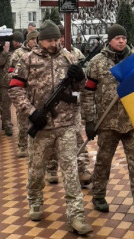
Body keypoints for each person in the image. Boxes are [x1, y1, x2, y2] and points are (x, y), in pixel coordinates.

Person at [9, 20, 92, 235]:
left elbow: (81, 90)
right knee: (36, 170)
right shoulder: (27, 59)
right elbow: (15, 89)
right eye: (49, 40)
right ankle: (35, 200)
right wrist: (31, 112)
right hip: (41, 124)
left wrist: (80, 78)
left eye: (56, 39)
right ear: (39, 41)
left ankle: (76, 215)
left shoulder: (69, 58)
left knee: (71, 171)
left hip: (65, 124)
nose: (53, 43)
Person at [81, 24, 134, 229]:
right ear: (109, 40)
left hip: (131, 122)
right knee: (103, 162)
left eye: (124, 38)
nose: (121, 41)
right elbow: (88, 93)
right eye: (117, 38)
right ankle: (98, 195)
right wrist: (89, 120)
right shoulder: (97, 63)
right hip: (107, 123)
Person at [45, 24, 91, 186]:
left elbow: (84, 81)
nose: (61, 41)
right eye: (58, 38)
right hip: (52, 106)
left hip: (72, 104)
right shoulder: (45, 56)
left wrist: (80, 75)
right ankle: (51, 168)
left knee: (77, 136)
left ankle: (83, 168)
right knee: (51, 138)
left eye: (63, 37)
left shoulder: (74, 54)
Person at [9, 30, 38, 157]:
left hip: (36, 93)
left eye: (36, 39)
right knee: (22, 121)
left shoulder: (40, 53)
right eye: (32, 39)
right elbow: (11, 72)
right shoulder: (18, 53)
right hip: (23, 93)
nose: (35, 42)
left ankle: (35, 145)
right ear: (28, 40)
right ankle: (22, 145)